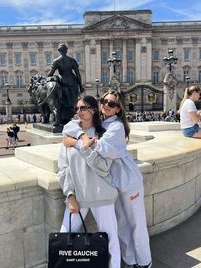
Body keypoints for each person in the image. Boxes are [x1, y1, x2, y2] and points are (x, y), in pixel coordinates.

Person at [63, 90, 152, 268]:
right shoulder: (102, 123)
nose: (106, 105)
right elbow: (71, 127)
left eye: (112, 104)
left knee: (136, 224)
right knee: (122, 226)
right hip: (112, 183)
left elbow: (102, 147)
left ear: (119, 109)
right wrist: (81, 136)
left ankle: (144, 262)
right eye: (104, 101)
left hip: (127, 181)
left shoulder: (117, 126)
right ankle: (130, 261)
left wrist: (76, 142)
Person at [57, 95, 121, 268]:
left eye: (83, 108)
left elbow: (103, 167)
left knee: (111, 240)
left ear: (93, 110)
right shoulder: (68, 133)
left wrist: (81, 147)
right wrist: (70, 195)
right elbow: (63, 168)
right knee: (64, 237)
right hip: (78, 197)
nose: (79, 112)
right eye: (77, 108)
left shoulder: (102, 135)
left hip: (102, 195)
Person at [48, 43, 84, 124]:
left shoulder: (56, 61)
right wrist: (81, 86)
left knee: (62, 102)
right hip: (73, 82)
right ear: (66, 50)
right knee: (72, 102)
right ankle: (72, 119)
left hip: (63, 82)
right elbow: (78, 74)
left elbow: (50, 74)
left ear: (59, 51)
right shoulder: (72, 60)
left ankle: (62, 120)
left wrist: (56, 77)